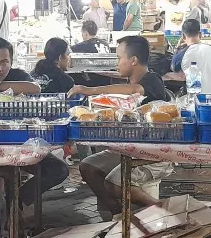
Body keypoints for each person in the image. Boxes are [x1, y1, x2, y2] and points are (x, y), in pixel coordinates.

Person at [72, 36, 171, 220]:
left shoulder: (152, 81)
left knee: (113, 184)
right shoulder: (130, 82)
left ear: (133, 60)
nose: (116, 63)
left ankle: (163, 209)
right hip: (130, 149)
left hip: (154, 154)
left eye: (119, 58)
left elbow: (135, 90)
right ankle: (118, 214)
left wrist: (90, 90)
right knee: (87, 167)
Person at [0, 38, 68, 210]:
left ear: (11, 61)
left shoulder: (19, 77)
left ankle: (16, 202)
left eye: (4, 62)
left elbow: (36, 88)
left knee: (58, 171)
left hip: (20, 145)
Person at [171, 19, 211, 94]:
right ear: (200, 34)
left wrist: (178, 48)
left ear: (183, 36)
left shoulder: (181, 54)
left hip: (198, 101)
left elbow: (174, 71)